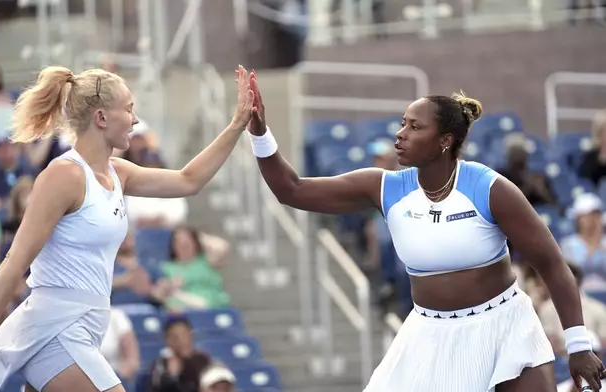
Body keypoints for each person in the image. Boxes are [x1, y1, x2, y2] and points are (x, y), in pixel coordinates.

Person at [245, 72, 605, 391]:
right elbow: (290, 189)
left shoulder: (489, 187)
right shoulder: (384, 187)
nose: (400, 134)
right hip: (427, 334)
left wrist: (577, 345)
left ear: (445, 141)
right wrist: (260, 132)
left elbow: (553, 264)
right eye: (403, 123)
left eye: (415, 127)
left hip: (504, 326)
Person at [0, 64, 255, 392]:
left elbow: (189, 180)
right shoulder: (63, 176)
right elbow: (15, 261)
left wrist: (236, 124)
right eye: (129, 109)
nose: (135, 119)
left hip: (86, 328)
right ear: (101, 118)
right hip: (56, 330)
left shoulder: (118, 171)